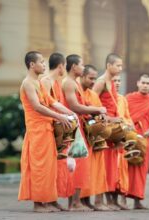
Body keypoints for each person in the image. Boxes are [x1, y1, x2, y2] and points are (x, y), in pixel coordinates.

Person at [18, 51, 73, 212]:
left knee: (50, 168)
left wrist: (70, 114)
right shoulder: (28, 83)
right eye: (41, 61)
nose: (44, 64)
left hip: (47, 129)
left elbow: (52, 102)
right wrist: (59, 117)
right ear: (31, 65)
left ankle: (48, 200)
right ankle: (38, 203)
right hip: (36, 132)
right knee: (39, 167)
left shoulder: (39, 83)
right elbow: (37, 106)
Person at [61, 54, 106, 211]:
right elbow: (75, 106)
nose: (83, 67)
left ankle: (75, 202)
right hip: (72, 128)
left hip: (78, 126)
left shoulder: (74, 83)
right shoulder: (68, 83)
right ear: (74, 67)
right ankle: (74, 203)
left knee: (79, 164)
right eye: (81, 65)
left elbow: (83, 105)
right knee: (77, 163)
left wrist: (94, 114)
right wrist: (97, 109)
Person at [92, 53, 123, 210]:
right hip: (103, 129)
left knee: (109, 167)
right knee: (101, 166)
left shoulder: (111, 83)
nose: (120, 68)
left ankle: (106, 200)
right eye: (117, 65)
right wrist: (109, 119)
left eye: (121, 65)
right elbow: (91, 103)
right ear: (109, 65)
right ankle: (98, 201)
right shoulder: (101, 82)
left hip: (112, 132)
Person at [126, 74, 149, 209]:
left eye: (148, 83)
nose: (145, 85)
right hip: (129, 137)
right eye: (143, 83)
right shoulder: (128, 98)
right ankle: (121, 200)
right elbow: (123, 115)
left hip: (145, 139)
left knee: (141, 168)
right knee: (126, 166)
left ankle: (137, 200)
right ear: (138, 83)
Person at [79, 64, 111, 211]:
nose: (93, 81)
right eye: (90, 78)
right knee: (83, 169)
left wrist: (103, 118)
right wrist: (94, 113)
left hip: (94, 137)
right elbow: (76, 109)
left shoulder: (92, 95)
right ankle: (82, 201)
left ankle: (95, 201)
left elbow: (100, 113)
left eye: (94, 78)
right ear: (82, 76)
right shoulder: (77, 91)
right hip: (81, 135)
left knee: (98, 170)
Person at [112, 74, 132, 210]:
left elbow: (127, 117)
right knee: (112, 169)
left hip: (122, 138)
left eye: (119, 80)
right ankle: (111, 200)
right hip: (112, 139)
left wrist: (129, 124)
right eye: (114, 81)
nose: (117, 83)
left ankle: (121, 199)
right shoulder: (106, 97)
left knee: (122, 170)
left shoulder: (122, 99)